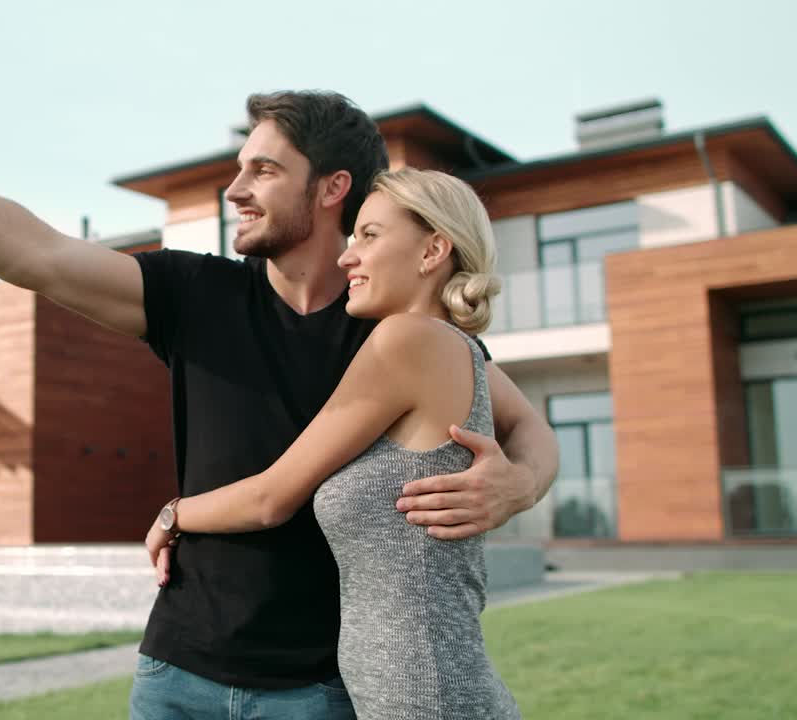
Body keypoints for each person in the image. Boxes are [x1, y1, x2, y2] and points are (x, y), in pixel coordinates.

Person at [0, 90, 559, 719]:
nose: (235, 190)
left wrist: (519, 483)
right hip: (176, 674)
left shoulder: (392, 324)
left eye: (264, 170)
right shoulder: (196, 292)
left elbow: (528, 426)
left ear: (331, 188)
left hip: (320, 692)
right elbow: (38, 255)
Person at [145, 166, 521, 719]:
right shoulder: (445, 349)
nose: (348, 257)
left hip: (426, 700)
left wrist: (172, 514)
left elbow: (272, 496)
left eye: (369, 236)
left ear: (433, 250)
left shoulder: (407, 340)